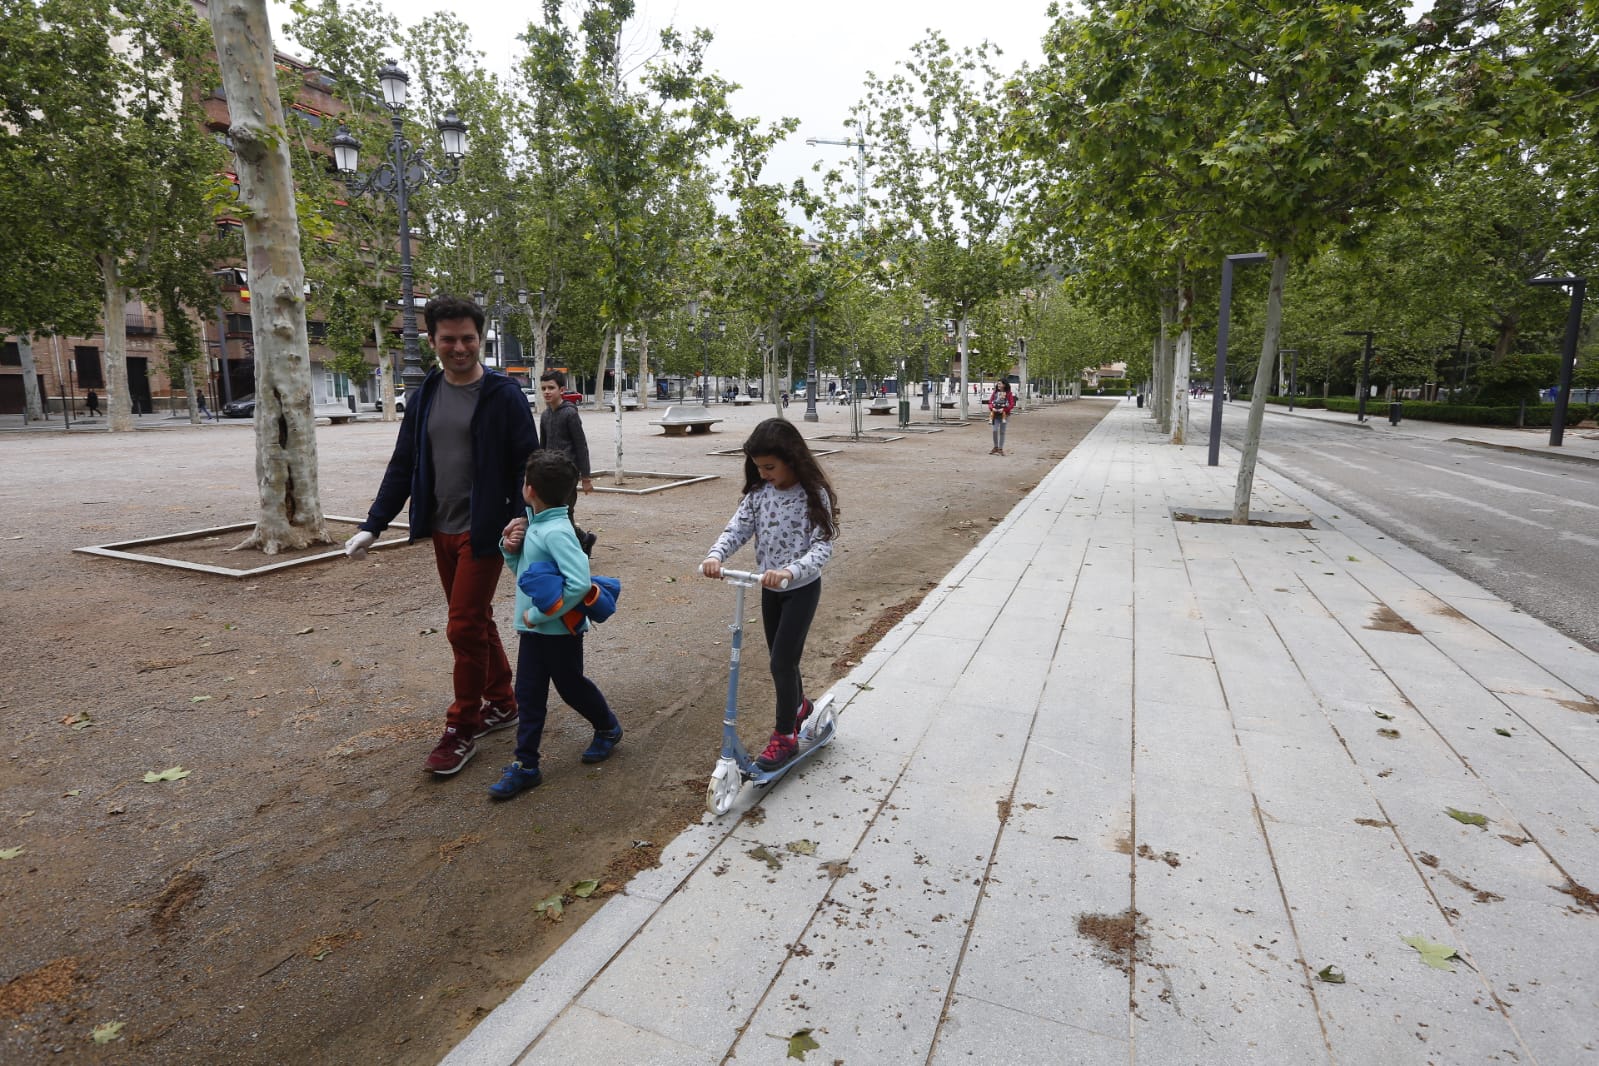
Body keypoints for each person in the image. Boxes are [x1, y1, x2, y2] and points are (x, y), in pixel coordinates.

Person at [344, 295, 539, 777]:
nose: (459, 348)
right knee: (474, 622)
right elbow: (404, 462)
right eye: (448, 339)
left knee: (461, 625)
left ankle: (462, 725)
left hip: (487, 530)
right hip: (441, 527)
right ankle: (502, 701)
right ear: (432, 341)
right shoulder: (426, 392)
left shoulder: (504, 394)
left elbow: (530, 464)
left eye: (468, 339)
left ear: (480, 339)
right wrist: (373, 524)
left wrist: (523, 517)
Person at [700, 418, 839, 771]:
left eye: (770, 467)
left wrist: (791, 571)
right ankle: (799, 708)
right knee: (782, 658)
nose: (763, 474)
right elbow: (738, 528)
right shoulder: (759, 494)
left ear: (792, 459)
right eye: (758, 467)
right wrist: (716, 555)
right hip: (768, 588)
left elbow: (822, 547)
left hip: (800, 589)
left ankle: (785, 736)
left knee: (782, 661)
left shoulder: (812, 494)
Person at [488, 450, 623, 799]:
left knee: (571, 686)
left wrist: (539, 615)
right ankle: (526, 764)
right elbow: (526, 578)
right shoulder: (537, 524)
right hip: (533, 632)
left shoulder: (557, 531)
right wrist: (509, 548)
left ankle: (608, 728)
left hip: (559, 631)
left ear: (529, 489)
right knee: (529, 695)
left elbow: (578, 583)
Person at [537, 368, 597, 556]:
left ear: (562, 390)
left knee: (564, 512)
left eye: (551, 388)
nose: (547, 392)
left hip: (568, 474)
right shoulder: (545, 416)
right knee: (556, 513)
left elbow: (581, 446)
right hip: (549, 474)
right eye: (544, 388)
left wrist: (586, 477)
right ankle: (583, 540)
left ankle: (575, 550)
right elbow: (543, 445)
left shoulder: (570, 414)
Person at [988, 380, 1015, 455]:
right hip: (995, 415)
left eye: (1000, 384)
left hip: (1004, 415)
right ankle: (995, 447)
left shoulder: (1009, 394)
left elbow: (1012, 404)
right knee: (994, 430)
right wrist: (992, 408)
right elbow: (990, 402)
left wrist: (1004, 409)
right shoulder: (995, 393)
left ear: (1004, 385)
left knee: (1002, 432)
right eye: (998, 384)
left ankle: (1000, 448)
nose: (998, 385)